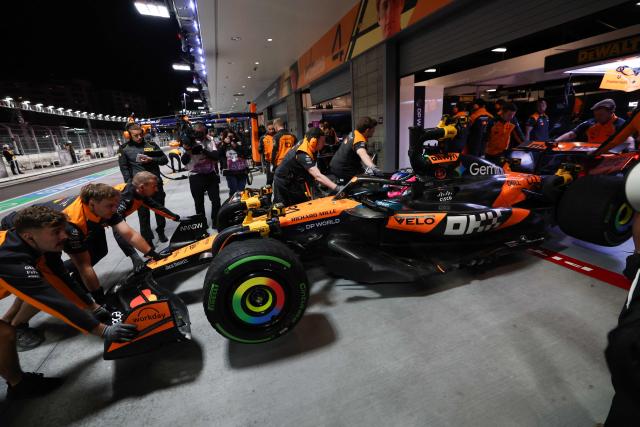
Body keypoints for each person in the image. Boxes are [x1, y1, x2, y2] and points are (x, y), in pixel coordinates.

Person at [0, 206, 138, 399]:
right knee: (4, 333)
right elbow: (54, 302)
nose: (65, 236)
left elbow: (61, 277)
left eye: (63, 229)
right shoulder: (10, 259)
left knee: (7, 328)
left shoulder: (33, 245)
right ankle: (20, 386)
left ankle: (18, 382)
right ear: (29, 236)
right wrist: (102, 330)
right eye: (56, 232)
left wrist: (92, 306)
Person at [113, 172, 181, 267]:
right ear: (141, 187)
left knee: (101, 251)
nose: (156, 190)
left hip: (103, 219)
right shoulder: (124, 197)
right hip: (91, 220)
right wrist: (134, 257)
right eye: (154, 186)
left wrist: (177, 218)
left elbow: (157, 207)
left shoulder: (139, 193)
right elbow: (119, 230)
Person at [118, 122, 170, 244]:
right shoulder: (124, 149)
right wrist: (130, 185)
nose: (139, 137)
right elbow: (124, 169)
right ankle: (148, 239)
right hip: (139, 189)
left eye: (140, 134)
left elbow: (164, 159)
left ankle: (161, 231)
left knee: (160, 210)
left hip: (155, 186)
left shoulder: (151, 145)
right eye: (136, 135)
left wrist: (152, 159)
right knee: (143, 215)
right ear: (128, 135)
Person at [273, 127, 340, 206]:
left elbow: (311, 176)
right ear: (313, 141)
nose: (324, 143)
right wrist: (337, 188)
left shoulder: (309, 146)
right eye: (322, 141)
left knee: (303, 205)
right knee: (284, 209)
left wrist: (319, 192)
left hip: (293, 181)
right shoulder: (303, 152)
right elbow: (317, 175)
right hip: (283, 181)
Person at [180, 123, 221, 229]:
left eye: (201, 132)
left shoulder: (210, 140)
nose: (199, 135)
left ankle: (216, 221)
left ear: (205, 131)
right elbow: (184, 161)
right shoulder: (188, 141)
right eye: (197, 132)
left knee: (216, 200)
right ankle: (202, 224)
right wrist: (188, 150)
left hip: (210, 173)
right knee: (199, 202)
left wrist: (202, 150)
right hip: (195, 175)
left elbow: (216, 157)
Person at [555, 99, 631, 148]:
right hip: (591, 156)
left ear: (610, 112)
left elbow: (629, 141)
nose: (597, 117)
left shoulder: (621, 124)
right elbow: (572, 134)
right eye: (596, 115)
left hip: (610, 159)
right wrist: (556, 141)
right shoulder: (591, 122)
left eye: (601, 115)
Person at [329, 116, 381, 183]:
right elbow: (362, 154)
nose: (373, 132)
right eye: (373, 130)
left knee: (361, 172)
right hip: (344, 169)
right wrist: (373, 167)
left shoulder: (354, 133)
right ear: (367, 130)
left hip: (335, 165)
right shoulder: (359, 139)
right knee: (363, 180)